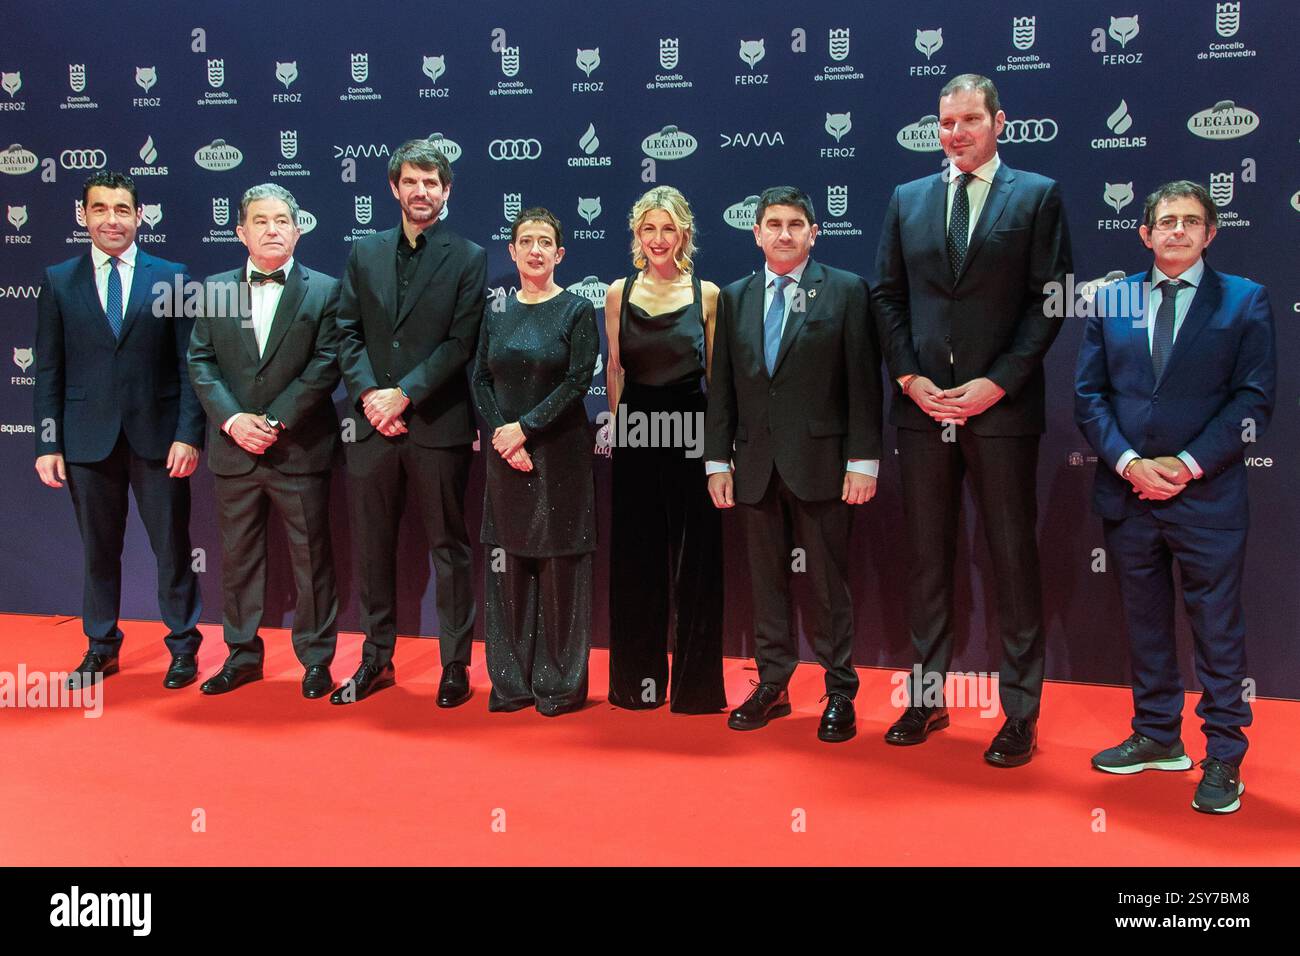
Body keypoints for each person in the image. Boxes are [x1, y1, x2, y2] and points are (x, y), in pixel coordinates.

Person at [872, 74, 1072, 766]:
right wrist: (909, 378)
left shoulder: (1037, 196)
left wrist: (998, 382)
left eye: (968, 120)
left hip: (1002, 411)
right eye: (944, 122)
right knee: (929, 559)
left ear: (999, 122)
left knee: (1011, 558)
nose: (955, 132)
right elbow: (888, 297)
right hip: (923, 411)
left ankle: (1020, 714)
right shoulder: (909, 199)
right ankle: (927, 699)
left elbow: (1051, 301)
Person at [1075, 180, 1275, 814]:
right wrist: (1131, 463)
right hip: (1130, 493)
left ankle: (1223, 756)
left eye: (1192, 221)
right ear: (1146, 233)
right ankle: (1158, 736)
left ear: (1211, 233)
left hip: (1207, 497)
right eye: (1167, 221)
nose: (1179, 231)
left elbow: (1253, 401)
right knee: (1146, 624)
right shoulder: (1112, 300)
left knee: (1217, 630)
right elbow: (1089, 396)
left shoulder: (1245, 302)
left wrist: (1187, 465)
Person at [704, 185, 881, 742]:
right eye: (773, 224)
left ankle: (839, 692)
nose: (784, 233)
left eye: (795, 224)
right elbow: (724, 388)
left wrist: (864, 461)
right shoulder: (734, 298)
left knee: (829, 586)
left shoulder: (848, 292)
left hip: (824, 464)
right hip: (754, 465)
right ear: (756, 233)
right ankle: (773, 685)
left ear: (813, 233)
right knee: (766, 585)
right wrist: (716, 461)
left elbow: (862, 384)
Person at [34, 171, 204, 690]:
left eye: (123, 209)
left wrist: (188, 434)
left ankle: (182, 648)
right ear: (83, 216)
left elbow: (190, 363)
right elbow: (49, 368)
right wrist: (48, 441)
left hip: (158, 439)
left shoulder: (172, 275)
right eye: (101, 209)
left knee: (173, 548)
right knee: (98, 551)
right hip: (87, 441)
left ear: (139, 216)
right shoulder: (59, 280)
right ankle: (100, 648)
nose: (112, 219)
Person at [332, 139, 486, 707]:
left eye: (433, 183)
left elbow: (460, 342)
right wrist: (372, 394)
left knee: (450, 548)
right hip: (372, 426)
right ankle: (377, 660)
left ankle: (454, 664)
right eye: (412, 182)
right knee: (374, 547)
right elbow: (346, 331)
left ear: (447, 192)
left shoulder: (468, 257)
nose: (422, 192)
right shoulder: (364, 252)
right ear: (394, 187)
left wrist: (405, 395)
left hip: (437, 424)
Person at [187, 183, 342, 699]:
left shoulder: (325, 290)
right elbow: (201, 362)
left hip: (298, 448)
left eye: (282, 220)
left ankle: (317, 660)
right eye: (261, 220)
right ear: (241, 232)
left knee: (311, 558)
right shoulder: (214, 289)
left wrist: (274, 420)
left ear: (298, 230)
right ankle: (241, 655)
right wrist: (234, 422)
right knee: (239, 558)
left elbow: (326, 364)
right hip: (234, 451)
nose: (272, 228)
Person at [471, 208, 598, 715]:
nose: (536, 250)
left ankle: (560, 684)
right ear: (513, 250)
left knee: (560, 566)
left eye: (546, 242)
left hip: (559, 458)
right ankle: (511, 682)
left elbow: (576, 381)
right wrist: (506, 437)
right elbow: (481, 378)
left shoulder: (576, 311)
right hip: (506, 457)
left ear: (560, 253)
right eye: (527, 241)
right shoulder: (496, 312)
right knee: (508, 566)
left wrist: (524, 430)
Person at [604, 186, 726, 714]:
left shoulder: (709, 294)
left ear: (684, 235)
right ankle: (636, 683)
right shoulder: (616, 292)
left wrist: (720, 450)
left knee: (696, 560)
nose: (658, 239)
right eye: (649, 229)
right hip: (636, 432)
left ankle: (696, 691)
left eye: (668, 229)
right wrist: (618, 429)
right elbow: (615, 369)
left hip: (691, 430)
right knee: (636, 558)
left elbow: (718, 379)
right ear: (637, 235)